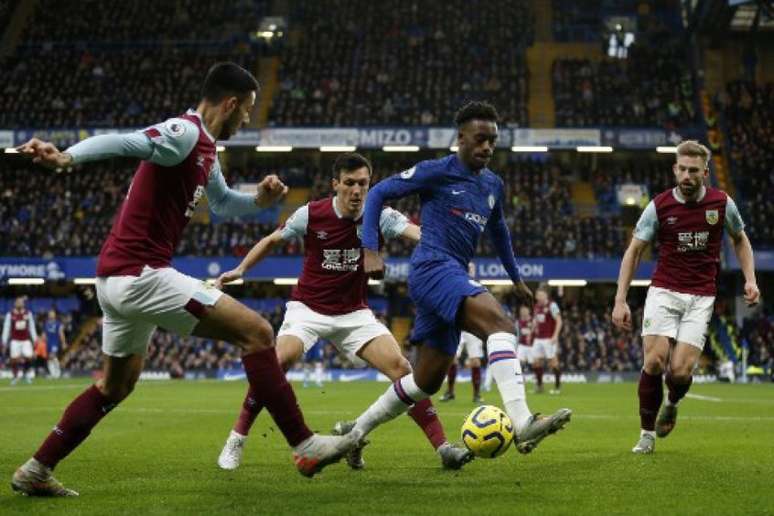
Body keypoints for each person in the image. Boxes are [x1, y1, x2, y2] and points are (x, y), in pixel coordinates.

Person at [11, 62, 358, 497]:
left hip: (118, 279)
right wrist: (66, 157)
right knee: (258, 333)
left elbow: (225, 204)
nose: (248, 118)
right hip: (140, 274)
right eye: (247, 110)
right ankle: (305, 445)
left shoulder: (206, 151)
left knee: (115, 385)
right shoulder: (184, 132)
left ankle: (37, 468)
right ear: (230, 104)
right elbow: (127, 141)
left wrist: (261, 201)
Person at [338, 101, 571, 456]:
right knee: (501, 325)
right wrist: (370, 249)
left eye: (492, 141)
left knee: (424, 381)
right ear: (460, 138)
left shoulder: (493, 184)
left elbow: (500, 232)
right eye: (480, 139)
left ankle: (354, 433)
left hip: (452, 275)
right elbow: (380, 192)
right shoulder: (438, 171)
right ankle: (523, 423)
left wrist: (517, 278)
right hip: (432, 267)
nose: (487, 148)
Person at [215, 153, 471, 471]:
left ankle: (442, 446)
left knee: (402, 369)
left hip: (354, 314)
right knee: (277, 361)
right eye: (349, 183)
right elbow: (271, 241)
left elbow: (421, 234)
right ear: (335, 184)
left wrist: (453, 253)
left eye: (363, 183)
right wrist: (240, 269)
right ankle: (236, 438)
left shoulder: (381, 215)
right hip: (308, 309)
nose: (356, 190)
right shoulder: (311, 214)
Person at [612, 140, 760, 454]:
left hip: (701, 297)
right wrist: (620, 299)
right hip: (664, 290)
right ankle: (646, 435)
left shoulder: (722, 204)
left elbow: (741, 240)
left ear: (705, 172)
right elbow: (633, 251)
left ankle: (674, 401)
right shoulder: (659, 206)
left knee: (679, 372)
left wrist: (750, 280)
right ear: (675, 169)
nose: (687, 176)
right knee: (654, 361)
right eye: (682, 169)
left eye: (694, 170)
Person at [532, 287, 563, 394]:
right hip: (538, 338)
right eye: (537, 295)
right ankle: (540, 386)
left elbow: (559, 321)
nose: (538, 297)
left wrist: (555, 336)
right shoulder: (536, 307)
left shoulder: (552, 305)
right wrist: (534, 327)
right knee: (535, 362)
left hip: (549, 338)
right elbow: (537, 320)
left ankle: (557, 387)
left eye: (540, 295)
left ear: (545, 295)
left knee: (553, 362)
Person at [440, 331, 484, 403]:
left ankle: (477, 395)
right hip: (458, 328)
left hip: (472, 329)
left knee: (475, 362)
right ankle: (450, 392)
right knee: (452, 358)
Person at [2, 297, 37, 385]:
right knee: (14, 359)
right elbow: (6, 328)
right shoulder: (10, 314)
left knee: (29, 357)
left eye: (21, 302)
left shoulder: (28, 313)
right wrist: (4, 341)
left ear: (23, 304)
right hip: (15, 340)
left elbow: (32, 327)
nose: (19, 304)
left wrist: (35, 338)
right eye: (18, 302)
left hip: (25, 340)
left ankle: (25, 374)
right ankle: (15, 376)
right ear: (15, 303)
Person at [43, 309, 67, 379]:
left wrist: (63, 343)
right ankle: (53, 374)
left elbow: (61, 333)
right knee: (50, 359)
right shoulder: (46, 323)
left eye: (52, 313)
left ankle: (57, 373)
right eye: (50, 313)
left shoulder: (58, 323)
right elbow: (44, 334)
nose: (51, 315)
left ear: (55, 315)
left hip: (55, 342)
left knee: (52, 356)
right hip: (48, 343)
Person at [515, 304, 535, 373]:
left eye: (525, 310)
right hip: (522, 344)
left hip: (532, 345)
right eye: (522, 311)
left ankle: (537, 378)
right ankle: (519, 377)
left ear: (528, 311)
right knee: (519, 361)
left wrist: (531, 331)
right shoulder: (518, 321)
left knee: (534, 363)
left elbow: (535, 331)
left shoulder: (533, 320)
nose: (523, 312)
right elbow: (517, 333)